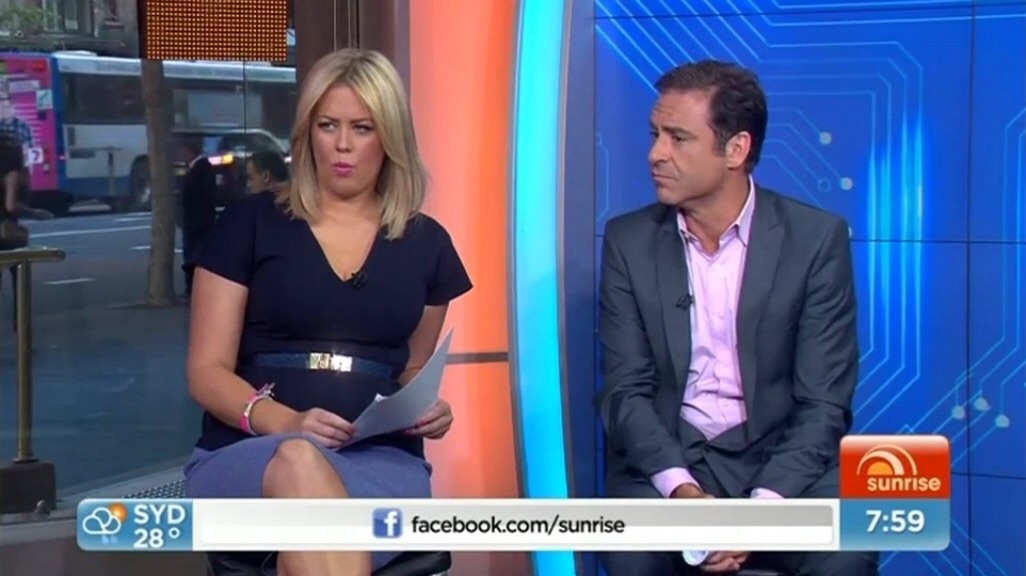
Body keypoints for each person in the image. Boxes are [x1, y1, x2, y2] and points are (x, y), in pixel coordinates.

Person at [182, 48, 472, 576]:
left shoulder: (427, 244)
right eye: (328, 125)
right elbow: (206, 371)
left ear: (389, 137)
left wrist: (429, 409)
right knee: (299, 462)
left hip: (380, 463)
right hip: (250, 455)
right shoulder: (248, 224)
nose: (342, 145)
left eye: (362, 128)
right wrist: (287, 423)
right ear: (307, 132)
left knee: (316, 515)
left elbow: (411, 368)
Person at [596, 60, 877, 576]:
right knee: (629, 554)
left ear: (736, 149)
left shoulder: (815, 241)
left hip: (783, 461)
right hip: (673, 462)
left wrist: (759, 514)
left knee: (848, 554)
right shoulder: (628, 241)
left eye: (678, 138)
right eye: (655, 135)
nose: (655, 153)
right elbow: (625, 392)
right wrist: (683, 493)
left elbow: (824, 403)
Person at [178, 136, 218, 297]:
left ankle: (192, 288)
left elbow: (198, 197)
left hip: (197, 222)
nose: (181, 155)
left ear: (190, 152)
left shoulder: (201, 169)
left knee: (194, 255)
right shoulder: (199, 168)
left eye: (183, 151)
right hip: (197, 221)